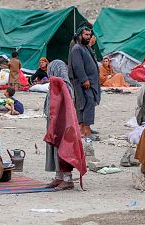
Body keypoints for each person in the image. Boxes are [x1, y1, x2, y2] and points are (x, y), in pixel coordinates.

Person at [44, 60, 86, 190]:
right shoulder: (55, 85)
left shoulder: (64, 86)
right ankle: (59, 177)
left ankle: (67, 179)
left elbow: (64, 108)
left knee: (63, 149)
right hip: (54, 123)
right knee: (54, 150)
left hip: (63, 126)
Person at [70, 25, 101, 141]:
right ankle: (87, 132)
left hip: (90, 82)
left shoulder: (85, 47)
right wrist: (84, 79)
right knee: (87, 104)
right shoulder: (77, 48)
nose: (88, 37)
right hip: (85, 83)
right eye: (86, 35)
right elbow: (78, 66)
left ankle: (83, 130)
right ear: (80, 35)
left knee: (84, 105)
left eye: (89, 35)